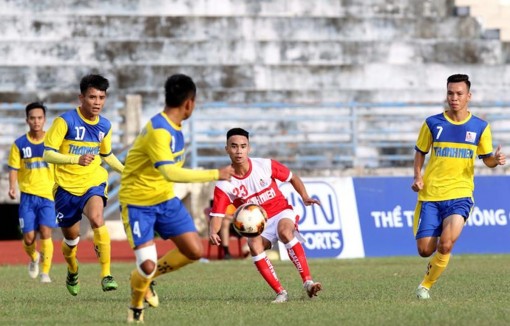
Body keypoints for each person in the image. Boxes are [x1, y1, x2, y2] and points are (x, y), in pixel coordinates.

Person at [119, 73, 234, 323]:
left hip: (164, 200)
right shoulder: (159, 131)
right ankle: (136, 306)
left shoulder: (176, 127)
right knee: (147, 265)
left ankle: (145, 278)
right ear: (189, 103)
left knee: (194, 251)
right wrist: (216, 174)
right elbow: (169, 172)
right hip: (138, 204)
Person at [411, 74, 506, 300]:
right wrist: (417, 176)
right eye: (450, 93)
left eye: (459, 94)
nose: (454, 98)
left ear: (468, 96)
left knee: (446, 244)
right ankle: (430, 268)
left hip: (461, 194)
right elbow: (420, 151)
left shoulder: (480, 126)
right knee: (425, 250)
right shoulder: (432, 123)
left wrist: (496, 159)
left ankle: (425, 286)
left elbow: (487, 159)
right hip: (431, 195)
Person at [209, 127, 322, 303]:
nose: (239, 151)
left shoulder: (264, 165)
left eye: (243, 146)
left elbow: (292, 177)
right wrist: (213, 232)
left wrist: (305, 196)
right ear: (227, 149)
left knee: (286, 232)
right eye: (234, 146)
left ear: (249, 148)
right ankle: (280, 292)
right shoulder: (225, 183)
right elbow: (217, 214)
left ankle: (308, 281)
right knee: (253, 244)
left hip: (280, 211)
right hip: (259, 223)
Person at [43, 74, 124, 296]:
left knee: (98, 219)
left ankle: (106, 274)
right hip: (66, 188)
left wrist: (127, 172)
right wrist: (74, 159)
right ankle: (72, 269)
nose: (97, 102)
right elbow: (47, 154)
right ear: (81, 97)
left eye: (101, 97)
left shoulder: (105, 125)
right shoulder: (65, 121)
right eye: (92, 97)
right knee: (71, 241)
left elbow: (106, 154)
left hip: (93, 181)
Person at [7, 102, 57, 283]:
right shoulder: (19, 144)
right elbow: (13, 168)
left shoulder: (53, 142)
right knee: (28, 238)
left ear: (44, 119)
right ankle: (34, 257)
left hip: (48, 196)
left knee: (46, 232)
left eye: (40, 118)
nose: (36, 121)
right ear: (27, 120)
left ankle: (45, 272)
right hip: (27, 197)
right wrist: (12, 186)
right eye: (33, 118)